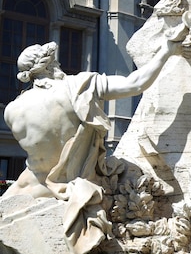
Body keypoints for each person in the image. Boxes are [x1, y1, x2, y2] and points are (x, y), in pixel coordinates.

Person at [2, 38, 178, 253]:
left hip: (30, 188)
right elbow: (136, 83)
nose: (59, 67)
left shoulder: (12, 109)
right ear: (49, 66)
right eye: (56, 63)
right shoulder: (80, 86)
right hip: (77, 183)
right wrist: (167, 50)